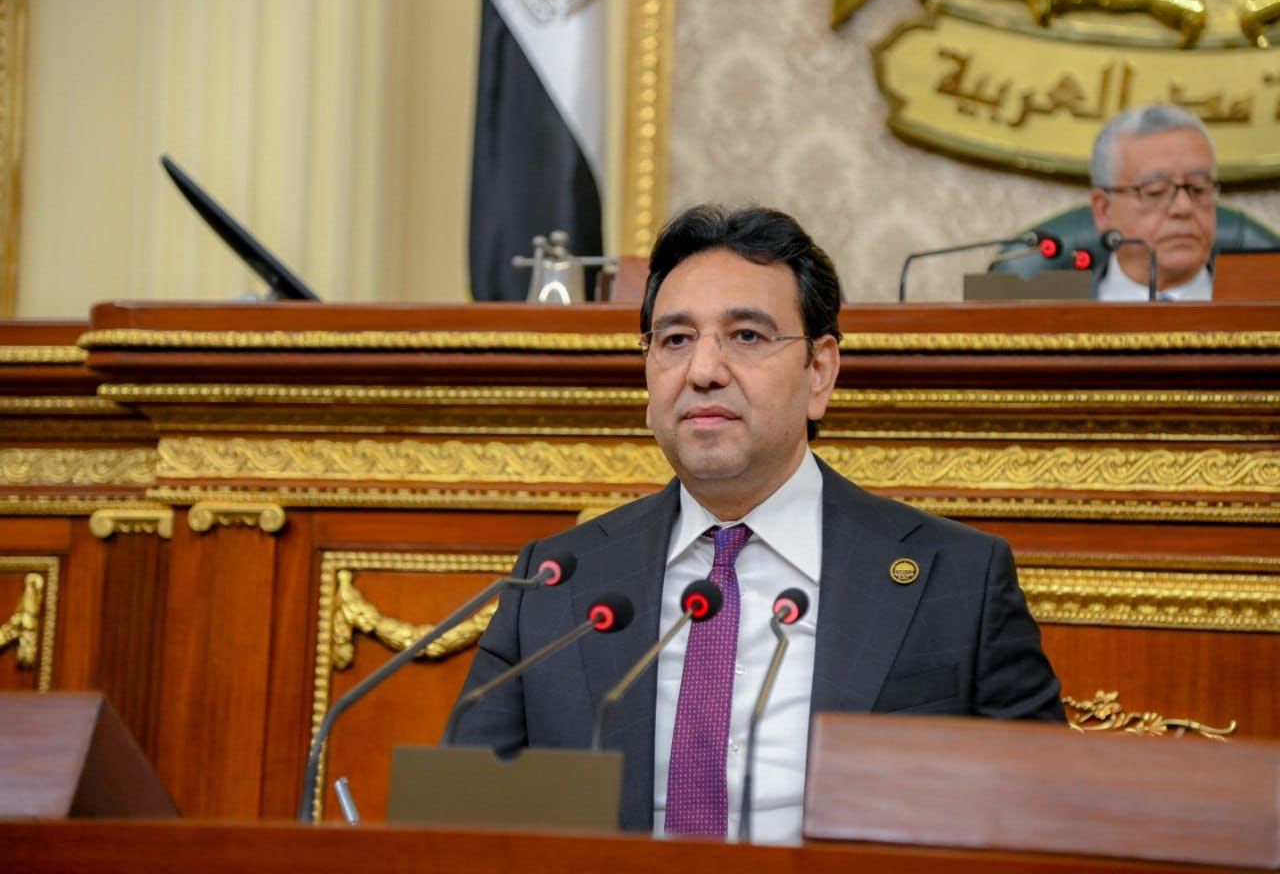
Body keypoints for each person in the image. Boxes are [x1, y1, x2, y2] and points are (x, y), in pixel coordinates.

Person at [451, 204, 1064, 843]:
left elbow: (1046, 826)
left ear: (819, 372)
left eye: (746, 336)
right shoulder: (556, 584)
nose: (703, 371)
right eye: (675, 340)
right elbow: (461, 821)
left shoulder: (957, 581)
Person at [1089, 105, 1219, 301]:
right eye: (1156, 192)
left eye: (1199, 189)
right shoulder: (1047, 306)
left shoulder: (1262, 305)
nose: (1183, 207)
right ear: (1104, 210)